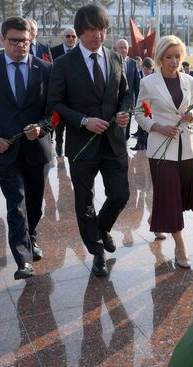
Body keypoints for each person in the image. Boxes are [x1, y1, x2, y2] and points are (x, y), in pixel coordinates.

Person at [48, 4, 131, 277]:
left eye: (103, 29)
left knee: (120, 194)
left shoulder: (115, 58)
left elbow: (125, 93)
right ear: (81, 31)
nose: (99, 35)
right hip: (82, 144)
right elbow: (56, 102)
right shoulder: (63, 64)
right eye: (93, 29)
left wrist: (123, 111)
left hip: (113, 142)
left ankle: (102, 228)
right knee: (85, 201)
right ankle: (96, 253)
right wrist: (84, 120)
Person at [0, 16, 53, 280]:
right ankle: (23, 259)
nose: (21, 46)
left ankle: (32, 236)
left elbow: (53, 113)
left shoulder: (44, 69)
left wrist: (41, 127)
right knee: (15, 203)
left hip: (36, 149)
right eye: (15, 41)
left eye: (26, 41)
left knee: (34, 204)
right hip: (5, 149)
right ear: (3, 40)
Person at [134, 35, 193, 268]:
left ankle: (155, 218)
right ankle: (180, 246)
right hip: (160, 150)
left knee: (176, 195)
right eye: (169, 57)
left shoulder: (189, 81)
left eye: (177, 56)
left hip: (185, 148)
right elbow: (140, 114)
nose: (174, 61)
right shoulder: (148, 83)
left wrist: (192, 115)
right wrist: (157, 126)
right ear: (161, 57)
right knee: (171, 197)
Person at [50, 27, 77, 156]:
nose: (71, 38)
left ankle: (71, 150)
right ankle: (59, 146)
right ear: (62, 37)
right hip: (60, 97)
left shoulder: (81, 52)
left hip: (75, 98)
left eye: (73, 36)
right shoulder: (53, 52)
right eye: (68, 36)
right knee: (59, 127)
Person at [115, 39, 141, 141]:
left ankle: (124, 149)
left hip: (128, 102)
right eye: (121, 48)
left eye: (125, 47)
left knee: (126, 128)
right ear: (116, 49)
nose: (123, 50)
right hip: (114, 101)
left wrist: (138, 102)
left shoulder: (133, 63)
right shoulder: (111, 62)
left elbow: (137, 85)